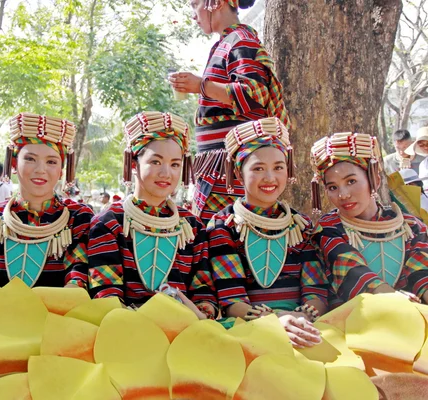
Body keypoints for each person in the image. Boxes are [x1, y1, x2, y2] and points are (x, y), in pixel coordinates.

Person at [78, 111, 217, 320]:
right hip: (128, 331)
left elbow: (203, 289)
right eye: (155, 162)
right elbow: (106, 294)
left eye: (175, 164)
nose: (166, 173)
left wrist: (203, 312)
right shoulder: (109, 222)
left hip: (190, 330)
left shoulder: (192, 226)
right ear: (134, 164)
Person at [207, 117, 326, 347]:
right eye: (258, 168)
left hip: (305, 326)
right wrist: (276, 321)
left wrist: (302, 317)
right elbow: (232, 300)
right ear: (239, 174)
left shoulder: (301, 226)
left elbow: (316, 290)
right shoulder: (223, 226)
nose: (270, 178)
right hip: (250, 328)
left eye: (278, 168)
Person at [169, 0, 290, 225]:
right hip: (218, 169)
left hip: (228, 172)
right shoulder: (228, 42)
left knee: (221, 237)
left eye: (195, 4)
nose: (193, 14)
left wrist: (201, 86)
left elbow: (255, 95)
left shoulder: (241, 40)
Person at [0, 113, 94, 288]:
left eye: (51, 162)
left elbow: (78, 278)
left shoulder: (78, 217)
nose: (40, 170)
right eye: (30, 159)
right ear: (14, 164)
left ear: (62, 171)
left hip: (62, 312)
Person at [310, 132, 428, 308]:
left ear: (375, 180)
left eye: (351, 181)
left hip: (412, 314)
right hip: (355, 321)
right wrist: (393, 298)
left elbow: (421, 272)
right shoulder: (328, 229)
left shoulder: (411, 226)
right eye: (333, 187)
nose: (343, 195)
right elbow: (352, 270)